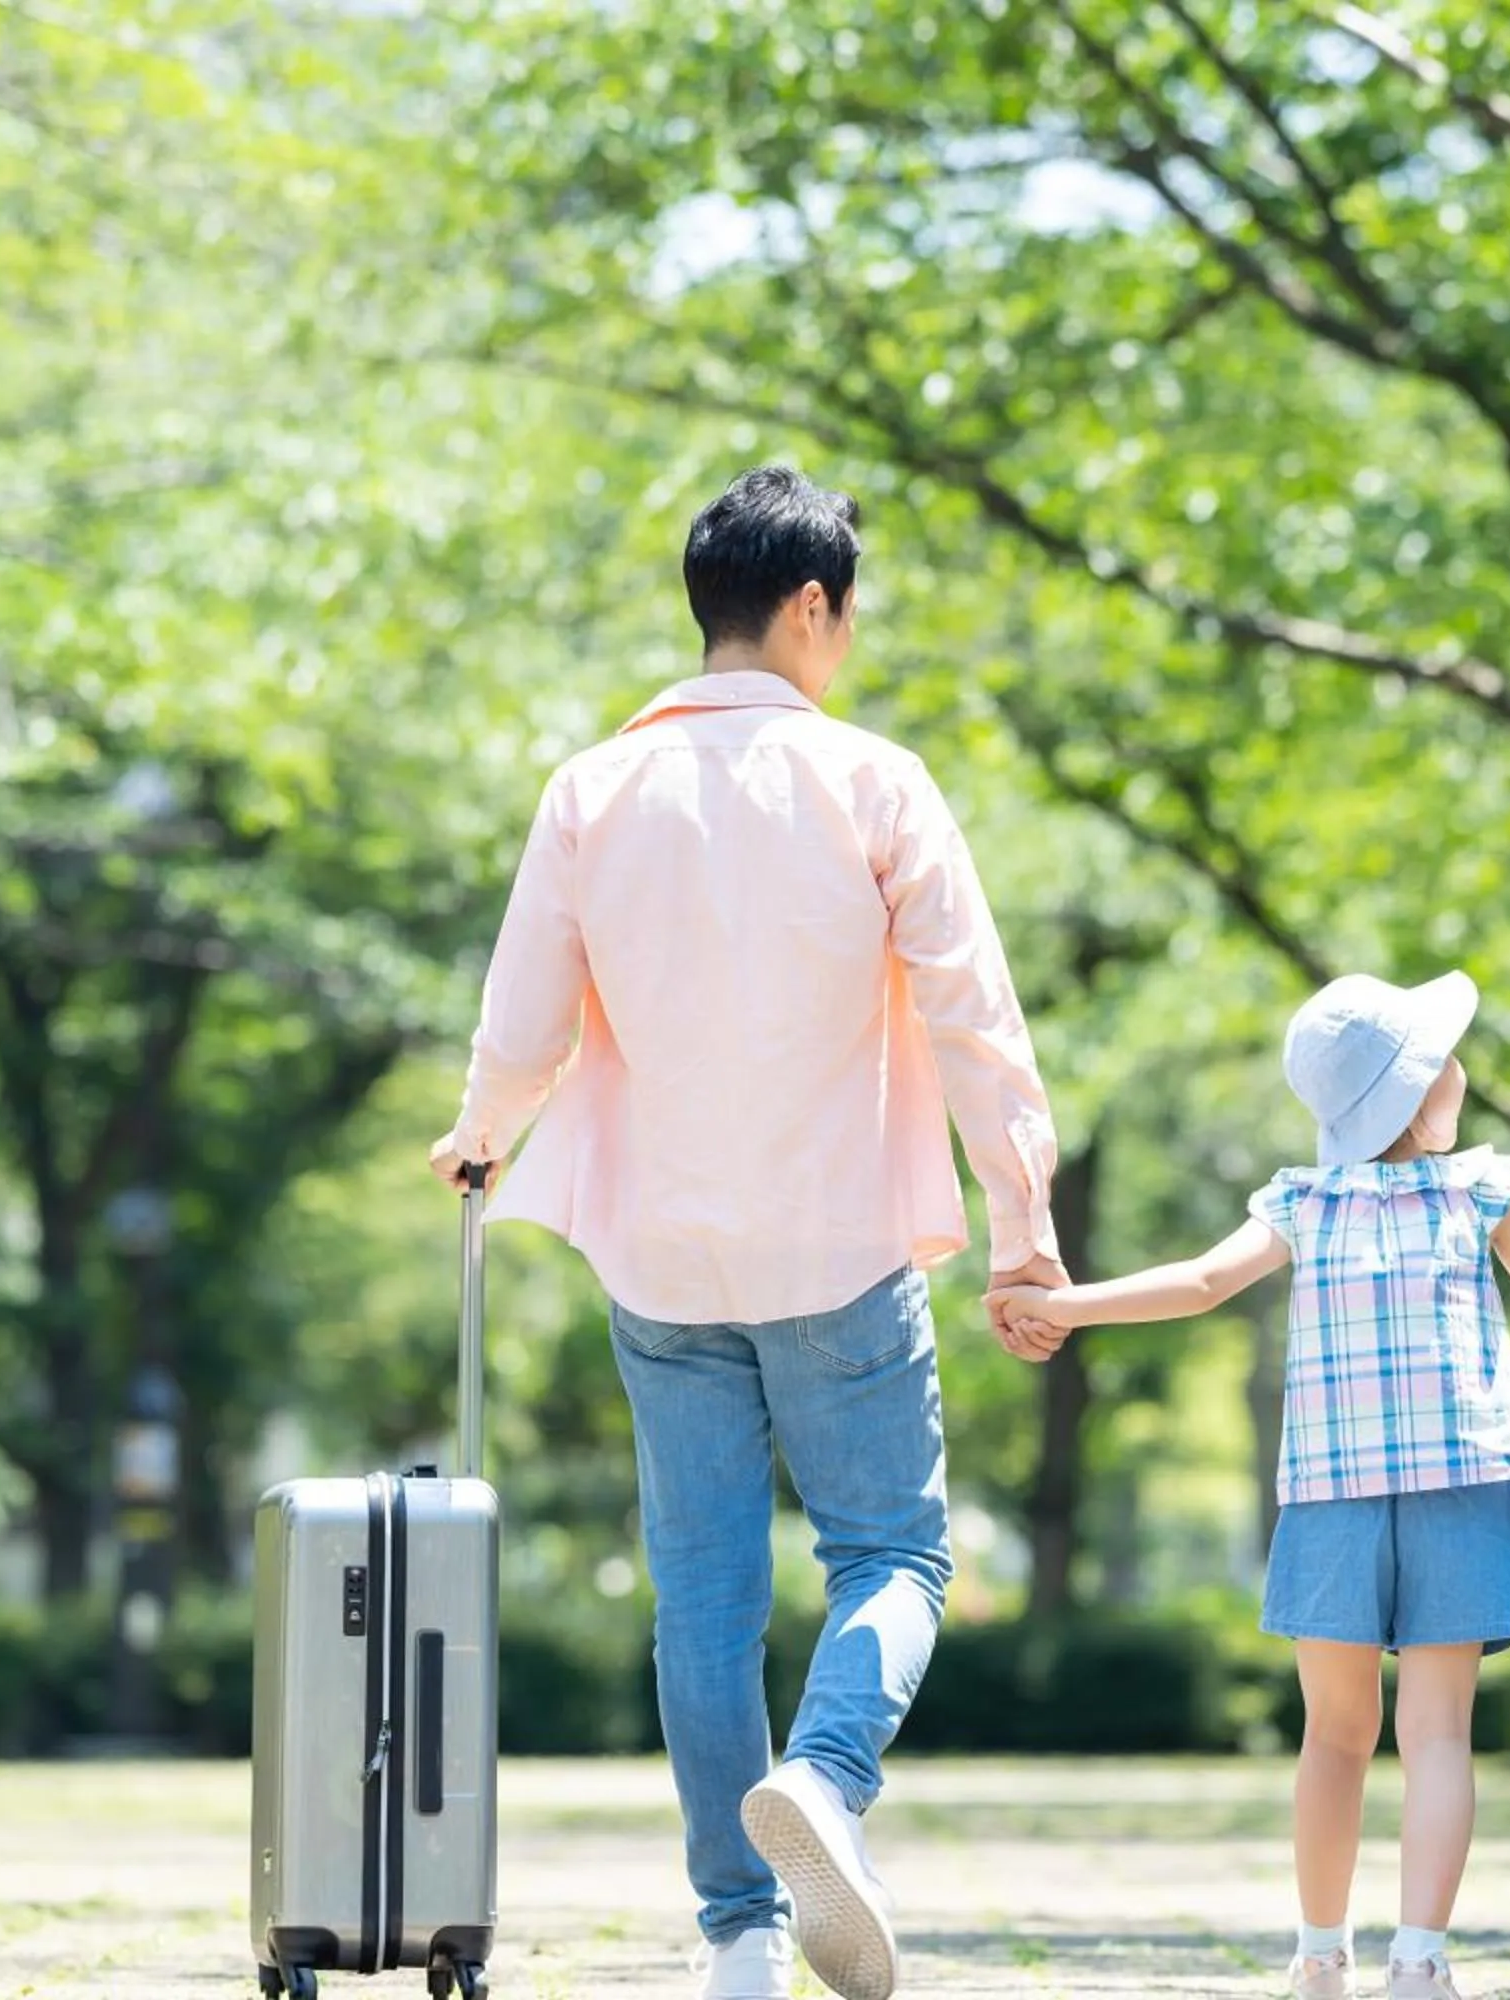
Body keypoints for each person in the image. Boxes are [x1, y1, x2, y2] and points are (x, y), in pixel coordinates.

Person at [428, 466, 1068, 2000]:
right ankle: (828, 1782)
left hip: (661, 1258)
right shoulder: (876, 784)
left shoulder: (591, 788)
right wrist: (1024, 1226)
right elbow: (976, 1025)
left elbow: (521, 1023)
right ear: (810, 607)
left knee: (702, 1598)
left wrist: (481, 1133)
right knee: (895, 1552)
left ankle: (737, 1933)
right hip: (838, 1245)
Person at [990, 970, 1510, 2000]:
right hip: (1466, 1474)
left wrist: (1066, 1304)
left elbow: (1197, 1282)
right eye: (1443, 1056)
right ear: (1421, 1092)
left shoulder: (1300, 1199)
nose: (1460, 1067)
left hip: (1331, 1491)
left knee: (1333, 1733)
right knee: (1439, 1730)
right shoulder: (1484, 1186)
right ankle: (1421, 1958)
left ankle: (1322, 1953)